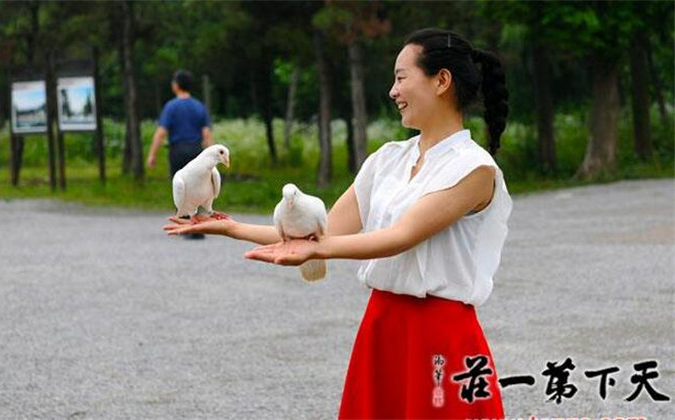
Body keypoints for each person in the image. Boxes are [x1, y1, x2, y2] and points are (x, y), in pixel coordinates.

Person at [164, 28, 511, 419]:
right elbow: (323, 228)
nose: (392, 92)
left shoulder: (474, 168)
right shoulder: (388, 159)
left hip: (440, 338)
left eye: (400, 78)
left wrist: (318, 249)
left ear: (441, 80)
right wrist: (230, 227)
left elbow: (401, 236)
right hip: (382, 327)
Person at [148, 69, 214, 239]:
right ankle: (198, 225)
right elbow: (206, 134)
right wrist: (212, 157)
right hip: (196, 151)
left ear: (176, 85)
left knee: (180, 187)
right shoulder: (199, 106)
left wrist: (152, 154)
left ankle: (185, 225)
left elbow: (161, 132)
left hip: (177, 150)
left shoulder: (171, 107)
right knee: (198, 187)